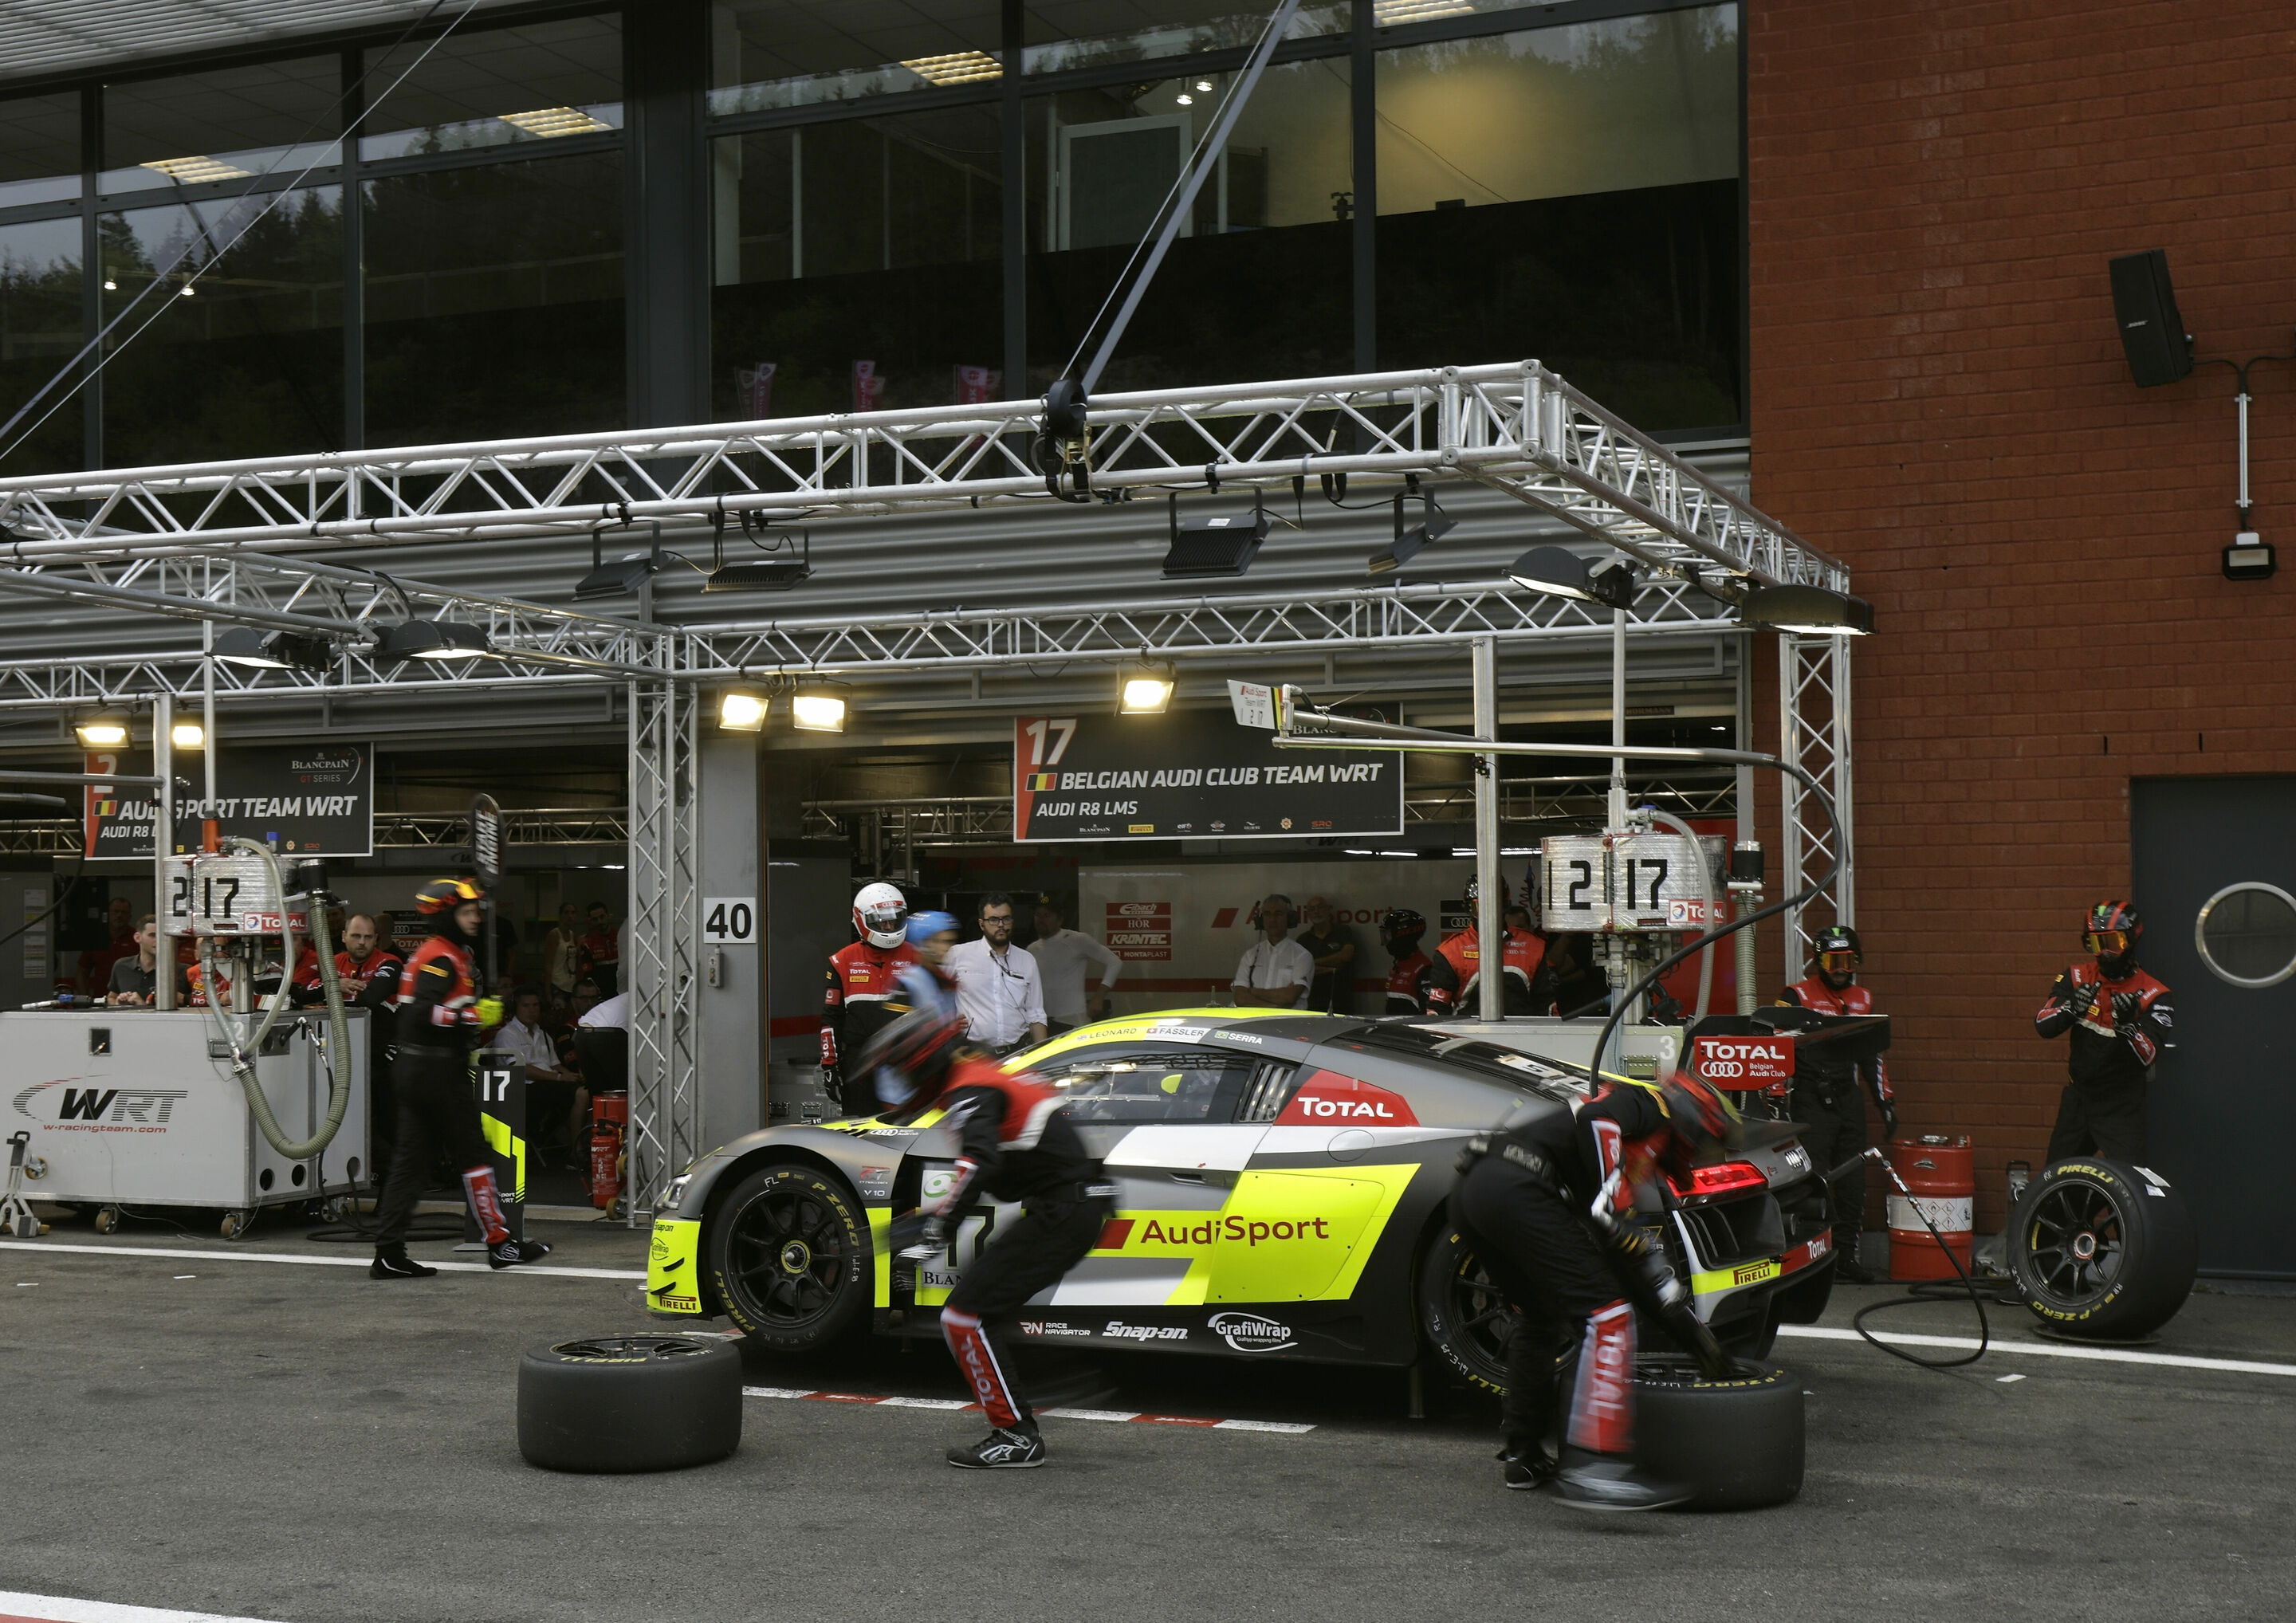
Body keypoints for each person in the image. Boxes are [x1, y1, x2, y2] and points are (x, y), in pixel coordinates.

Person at [1451, 1068, 1740, 1510]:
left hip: (1478, 1192)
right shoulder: (1648, 1105)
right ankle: (1598, 1471)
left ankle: (1523, 1457)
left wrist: (1696, 1340)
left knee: (1539, 1318)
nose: (1702, 1156)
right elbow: (1597, 1120)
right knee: (1609, 1317)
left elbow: (1630, 1269)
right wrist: (1609, 1201)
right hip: (1518, 1188)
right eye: (1707, 1143)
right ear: (1693, 1119)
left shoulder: (1615, 1163)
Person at [865, 1008, 1111, 1469]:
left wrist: (938, 1229)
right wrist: (935, 1218)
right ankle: (1047, 1384)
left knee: (963, 1316)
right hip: (1071, 1205)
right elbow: (1004, 1165)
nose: (899, 1079)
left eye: (900, 1068)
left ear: (920, 1061)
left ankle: (1016, 1434)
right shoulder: (981, 1076)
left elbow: (979, 1163)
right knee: (983, 1308)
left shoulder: (969, 1086)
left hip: (1066, 1209)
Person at [370, 878, 552, 1279]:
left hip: (420, 1070)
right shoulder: (441, 957)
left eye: (476, 912)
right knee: (473, 1154)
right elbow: (419, 1013)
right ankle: (501, 1245)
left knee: (410, 1164)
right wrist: (473, 1016)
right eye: (466, 912)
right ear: (447, 914)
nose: (475, 918)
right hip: (435, 1070)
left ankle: (388, 1253)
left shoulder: (445, 953)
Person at [1776, 923, 1897, 1283]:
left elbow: (1873, 1055)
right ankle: (1811, 1258)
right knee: (1814, 1179)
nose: (1840, 968)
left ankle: (1845, 1256)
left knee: (1853, 1181)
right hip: (1810, 1096)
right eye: (1832, 960)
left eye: (1847, 960)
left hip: (1848, 1097)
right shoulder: (1795, 995)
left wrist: (1885, 1102)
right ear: (1818, 962)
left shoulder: (1863, 998)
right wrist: (1776, 1099)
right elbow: (1776, 1048)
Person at [2036, 901, 2172, 1161]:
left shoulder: (2157, 994)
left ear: (2132, 939)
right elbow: (2043, 1024)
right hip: (2079, 1099)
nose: (2106, 953)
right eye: (2097, 944)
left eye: (2113, 942)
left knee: (2129, 1186)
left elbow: (2149, 1055)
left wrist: (2128, 1028)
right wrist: (2072, 1009)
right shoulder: (2076, 977)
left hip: (2122, 1107)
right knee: (2056, 1180)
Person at [820, 881, 915, 1110]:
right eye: (882, 920)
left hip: (905, 1061)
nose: (889, 924)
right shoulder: (841, 960)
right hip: (859, 1063)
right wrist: (829, 1066)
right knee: (860, 1133)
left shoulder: (916, 957)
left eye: (894, 919)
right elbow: (831, 1018)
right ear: (861, 919)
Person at [1424, 877, 1555, 1019]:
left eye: (1494, 904)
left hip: (1525, 1032)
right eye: (1479, 907)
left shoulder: (1533, 946)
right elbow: (1437, 1009)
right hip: (1469, 1035)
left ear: (1505, 904)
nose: (1487, 913)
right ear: (1468, 908)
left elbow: (1548, 1003)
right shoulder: (1450, 951)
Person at [491, 985, 588, 1158]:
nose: (532, 1010)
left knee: (586, 1088)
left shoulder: (542, 1034)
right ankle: (577, 1150)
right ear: (515, 1008)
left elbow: (555, 1064)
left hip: (548, 1085)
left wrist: (572, 1076)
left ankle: (555, 1137)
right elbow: (520, 1069)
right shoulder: (507, 1035)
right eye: (526, 1006)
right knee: (580, 1094)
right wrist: (559, 1078)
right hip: (522, 1089)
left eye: (535, 1005)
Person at [946, 894, 1049, 1053]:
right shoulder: (959, 955)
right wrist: (947, 1024)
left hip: (1018, 1051)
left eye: (1006, 919)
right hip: (973, 1054)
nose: (1001, 925)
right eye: (993, 920)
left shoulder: (1027, 960)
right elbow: (934, 994)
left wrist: (1043, 1055)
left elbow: (1035, 1013)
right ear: (982, 924)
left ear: (1012, 921)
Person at [1027, 895, 1120, 1034]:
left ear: (1060, 920)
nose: (1041, 919)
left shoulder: (1077, 940)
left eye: (1047, 915)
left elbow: (1115, 962)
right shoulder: (1031, 950)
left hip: (1074, 1021)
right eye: (1038, 915)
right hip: (1044, 1023)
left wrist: (1099, 997)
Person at [1232, 894, 1315, 1009]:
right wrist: (1275, 1005)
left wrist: (1252, 991)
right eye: (1267, 914)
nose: (1272, 919)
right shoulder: (1250, 956)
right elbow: (1240, 998)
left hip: (1290, 1025)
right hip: (1255, 1025)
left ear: (1290, 919)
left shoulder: (1302, 956)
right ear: (1261, 920)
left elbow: (1289, 997)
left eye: (1278, 914)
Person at [892, 911, 962, 1023]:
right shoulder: (909, 982)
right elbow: (897, 1032)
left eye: (951, 942)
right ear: (924, 943)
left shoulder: (944, 980)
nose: (948, 948)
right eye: (943, 942)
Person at [105, 914, 188, 1005]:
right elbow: (111, 997)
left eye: (163, 935)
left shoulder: (183, 971)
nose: (159, 940)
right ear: (137, 937)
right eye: (153, 935)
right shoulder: (121, 966)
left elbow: (195, 1008)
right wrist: (118, 1003)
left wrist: (142, 1005)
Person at [1295, 895, 1358, 1015]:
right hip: (1313, 1003)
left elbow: (1345, 957)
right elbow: (1300, 971)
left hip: (1342, 1001)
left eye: (1320, 907)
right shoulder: (1303, 940)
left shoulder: (1343, 931)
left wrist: (1311, 963)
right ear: (1307, 913)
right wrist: (1333, 967)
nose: (1316, 912)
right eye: (1312, 909)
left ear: (1328, 910)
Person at [79, 895, 138, 996]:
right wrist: (85, 997)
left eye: (124, 913)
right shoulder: (97, 937)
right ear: (107, 914)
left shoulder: (137, 938)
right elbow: (82, 971)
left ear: (130, 916)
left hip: (129, 999)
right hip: (100, 999)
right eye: (115, 911)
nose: (119, 916)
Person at [1378, 908, 1431, 1017]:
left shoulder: (1424, 970)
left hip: (1412, 1032)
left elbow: (1428, 1015)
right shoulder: (1398, 965)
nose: (1386, 941)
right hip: (1396, 1030)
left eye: (1388, 935)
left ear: (1403, 935)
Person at [541, 902, 583, 1007]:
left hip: (571, 985)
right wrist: (547, 991)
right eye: (566, 912)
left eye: (573, 913)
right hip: (557, 984)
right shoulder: (554, 935)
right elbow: (548, 963)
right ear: (561, 915)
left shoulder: (573, 935)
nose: (570, 916)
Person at [578, 902, 620, 998]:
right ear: (591, 921)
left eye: (602, 917)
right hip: (602, 995)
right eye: (595, 919)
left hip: (623, 991)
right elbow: (588, 976)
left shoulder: (621, 937)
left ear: (608, 916)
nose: (600, 922)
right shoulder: (588, 944)